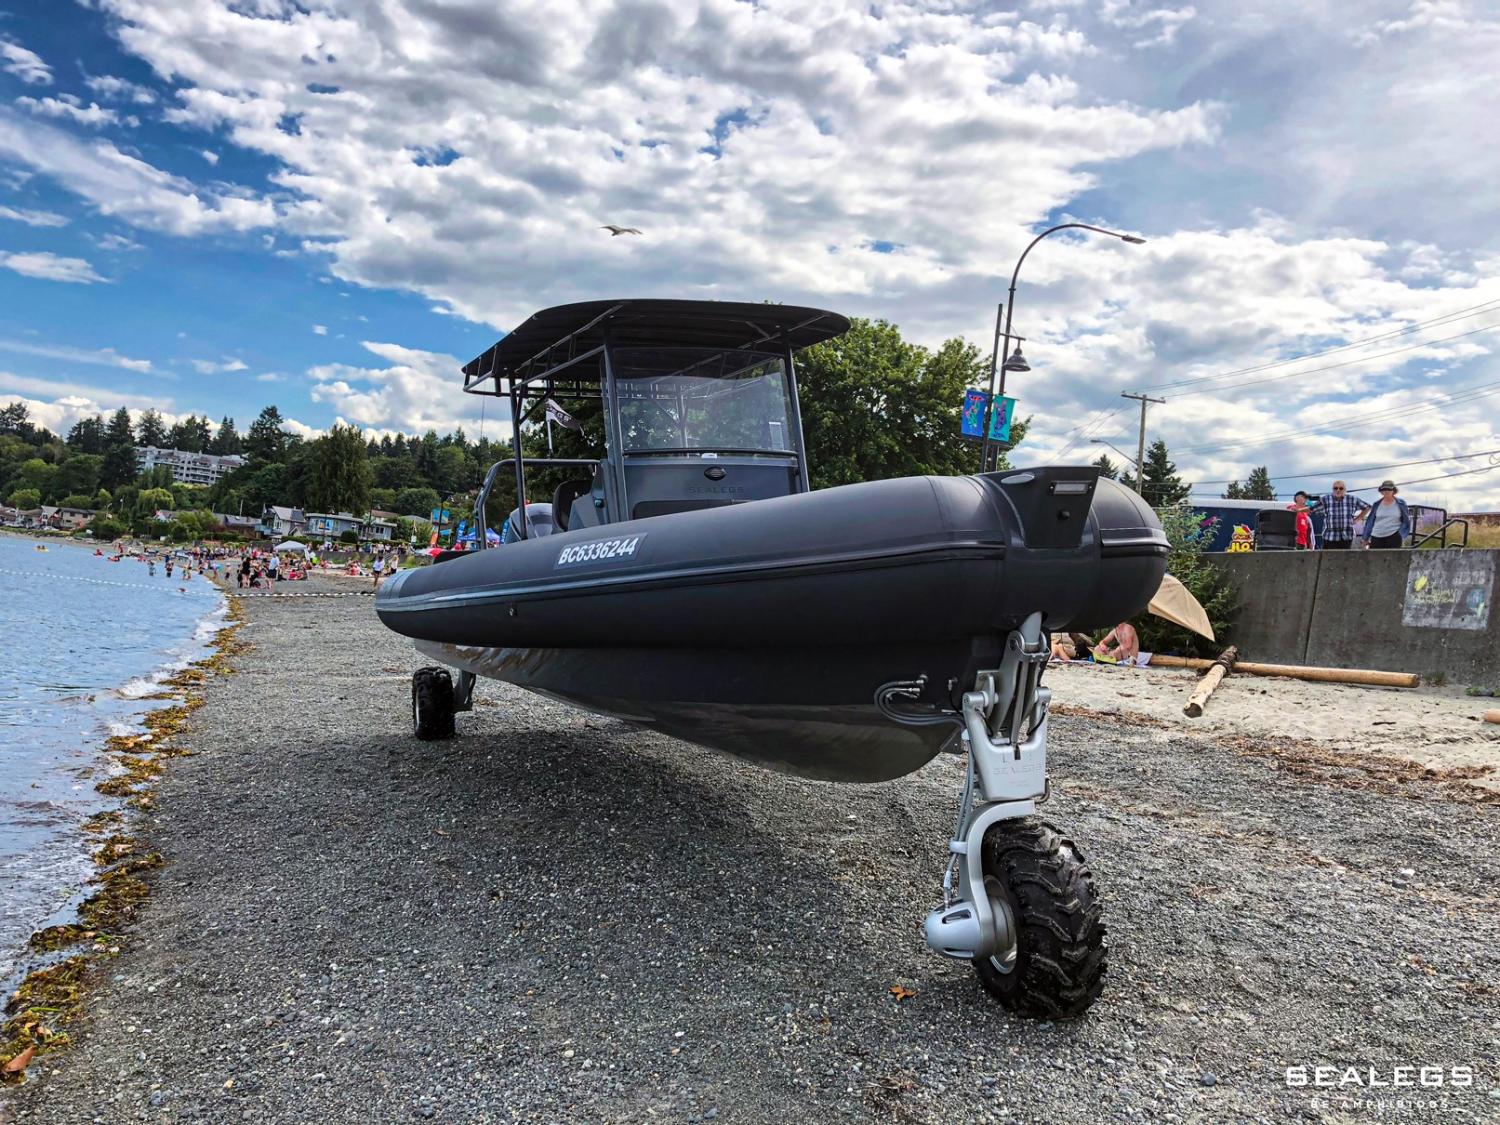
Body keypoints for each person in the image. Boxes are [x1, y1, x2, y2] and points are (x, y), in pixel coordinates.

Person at [1310, 479, 1369, 550]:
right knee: (1329, 559)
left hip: (1347, 536)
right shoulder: (1325, 499)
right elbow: (1311, 508)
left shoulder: (1353, 499)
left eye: (1341, 488)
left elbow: (1367, 507)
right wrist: (1298, 510)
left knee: (1346, 559)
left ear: (1345, 490)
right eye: (1335, 488)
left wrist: (1358, 519)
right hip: (1330, 537)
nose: (1338, 490)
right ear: (1332, 489)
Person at [1361, 480, 1411, 549]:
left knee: (1393, 559)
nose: (1386, 491)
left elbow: (1406, 520)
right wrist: (1365, 538)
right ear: (1381, 491)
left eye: (1389, 489)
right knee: (1376, 559)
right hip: (1376, 536)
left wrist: (1401, 534)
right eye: (1384, 489)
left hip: (1394, 536)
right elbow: (1370, 522)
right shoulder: (1376, 504)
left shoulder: (1401, 503)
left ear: (1393, 490)